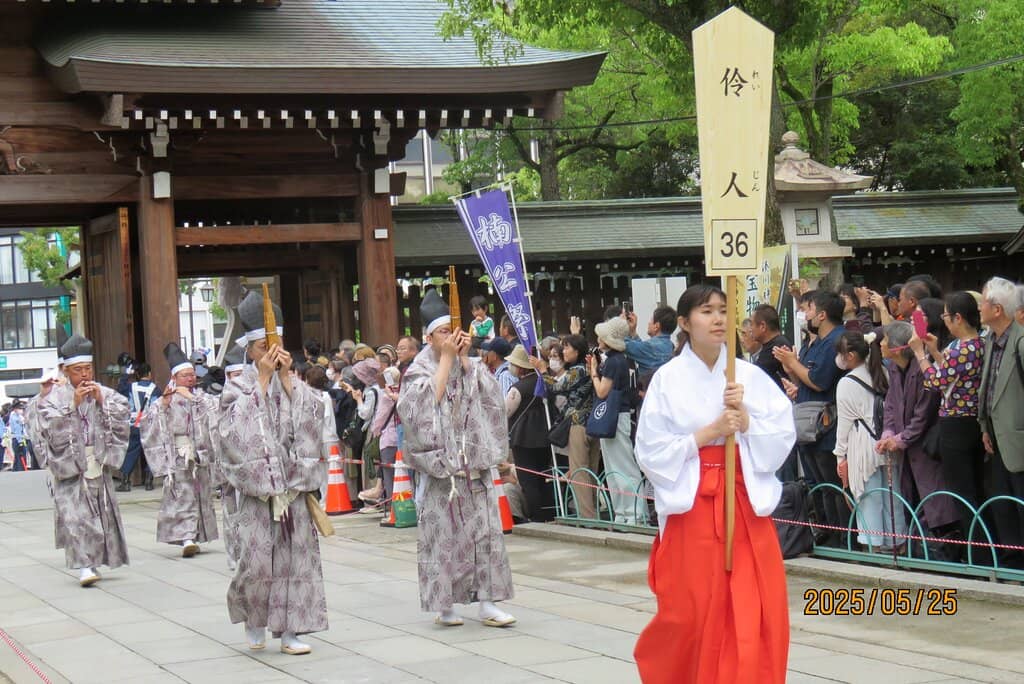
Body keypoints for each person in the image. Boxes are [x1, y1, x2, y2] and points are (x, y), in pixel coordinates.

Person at [634, 284, 793, 684]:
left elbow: (781, 436)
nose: (718, 318)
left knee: (756, 606)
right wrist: (710, 432)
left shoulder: (748, 376)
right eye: (706, 311)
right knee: (692, 610)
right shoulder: (667, 379)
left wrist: (747, 420)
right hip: (695, 503)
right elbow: (650, 450)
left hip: (744, 501)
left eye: (723, 310)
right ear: (685, 323)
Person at [397, 288, 515, 627]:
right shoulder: (419, 369)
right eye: (443, 332)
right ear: (429, 337)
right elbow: (418, 411)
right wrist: (447, 361)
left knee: (486, 537)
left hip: (474, 468)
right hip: (442, 474)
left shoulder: (471, 365)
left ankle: (488, 602)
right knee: (442, 540)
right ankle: (445, 605)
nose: (451, 337)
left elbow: (492, 402)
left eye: (454, 330)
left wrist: (464, 362)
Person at [218, 290, 328, 654]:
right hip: (257, 492)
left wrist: (286, 381)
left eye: (276, 344)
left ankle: (291, 630)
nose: (272, 351)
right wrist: (263, 382)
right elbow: (232, 433)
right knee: (257, 564)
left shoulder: (295, 385)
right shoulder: (236, 387)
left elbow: (314, 418)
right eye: (264, 346)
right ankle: (254, 618)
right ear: (250, 351)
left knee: (296, 562)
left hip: (293, 488)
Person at [33, 335, 132, 587]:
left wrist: (102, 401)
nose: (85, 374)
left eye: (88, 368)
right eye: (78, 370)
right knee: (76, 517)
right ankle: (85, 565)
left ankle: (94, 561)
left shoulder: (103, 392)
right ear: (66, 371)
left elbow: (123, 411)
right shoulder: (55, 398)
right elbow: (47, 428)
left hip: (96, 462)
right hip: (70, 467)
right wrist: (72, 406)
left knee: (99, 515)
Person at [912, 292, 986, 552]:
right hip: (973, 420)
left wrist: (920, 354)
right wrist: (934, 351)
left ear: (958, 318)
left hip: (956, 423)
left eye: (945, 316)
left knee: (962, 490)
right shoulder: (980, 343)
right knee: (975, 485)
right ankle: (983, 549)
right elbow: (953, 375)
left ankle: (976, 550)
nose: (944, 320)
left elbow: (935, 382)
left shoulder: (962, 349)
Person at [773, 290, 846, 543]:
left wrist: (793, 363)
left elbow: (819, 381)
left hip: (826, 425)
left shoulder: (836, 340)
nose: (803, 314)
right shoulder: (813, 343)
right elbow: (805, 380)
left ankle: (842, 538)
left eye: (808, 309)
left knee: (832, 485)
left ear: (822, 314)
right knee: (817, 484)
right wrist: (791, 370)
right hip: (807, 424)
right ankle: (825, 532)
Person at [878, 321, 959, 546]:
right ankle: (919, 548)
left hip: (926, 448)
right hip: (906, 450)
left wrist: (900, 439)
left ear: (897, 348)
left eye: (885, 340)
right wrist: (888, 432)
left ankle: (942, 550)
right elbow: (891, 404)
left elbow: (924, 414)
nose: (881, 343)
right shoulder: (893, 368)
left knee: (935, 504)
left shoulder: (923, 370)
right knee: (911, 500)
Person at [139, 343, 219, 558]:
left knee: (200, 494)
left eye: (192, 375)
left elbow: (215, 413)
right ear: (174, 378)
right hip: (178, 454)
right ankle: (186, 537)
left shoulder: (201, 396)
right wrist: (165, 404)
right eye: (185, 376)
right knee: (183, 495)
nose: (190, 379)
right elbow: (149, 423)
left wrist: (193, 398)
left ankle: (195, 534)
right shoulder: (164, 400)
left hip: (199, 453)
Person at [833, 331, 905, 551]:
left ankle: (874, 549)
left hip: (862, 445)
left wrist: (840, 455)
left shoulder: (846, 382)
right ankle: (897, 546)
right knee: (892, 497)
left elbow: (844, 425)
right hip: (888, 441)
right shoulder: (883, 371)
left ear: (851, 355)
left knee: (870, 499)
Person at [977, 276, 1024, 567]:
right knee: (1002, 501)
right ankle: (1011, 561)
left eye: (983, 302)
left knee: (1020, 499)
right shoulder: (991, 341)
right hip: (995, 434)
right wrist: (984, 426)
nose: (979, 308)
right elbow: (988, 389)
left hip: (1018, 435)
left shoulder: (1020, 342)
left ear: (997, 309)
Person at [531, 335, 599, 520]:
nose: (564, 352)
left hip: (578, 424)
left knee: (579, 471)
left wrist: (543, 370)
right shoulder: (588, 366)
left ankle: (587, 517)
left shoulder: (578, 370)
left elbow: (556, 387)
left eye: (567, 348)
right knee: (591, 470)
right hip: (592, 423)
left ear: (577, 351)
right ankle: (594, 514)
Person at [591, 316, 646, 526]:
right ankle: (625, 514)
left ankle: (631, 514)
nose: (598, 340)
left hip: (615, 416)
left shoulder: (613, 362)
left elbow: (602, 391)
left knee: (620, 466)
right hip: (620, 414)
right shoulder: (622, 360)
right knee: (617, 466)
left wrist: (594, 373)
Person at [505, 344, 555, 522]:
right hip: (546, 437)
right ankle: (549, 512)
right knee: (543, 476)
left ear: (521, 367)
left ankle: (537, 516)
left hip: (523, 438)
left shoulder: (518, 388)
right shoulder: (548, 382)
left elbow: (506, 411)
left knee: (528, 480)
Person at [117, 363, 157, 492]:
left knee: (131, 452)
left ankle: (125, 482)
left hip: (134, 424)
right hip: (149, 425)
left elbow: (119, 390)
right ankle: (149, 482)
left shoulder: (131, 387)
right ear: (150, 374)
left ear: (137, 374)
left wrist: (126, 374)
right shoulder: (155, 389)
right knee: (151, 452)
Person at [624, 306, 676, 378]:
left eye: (651, 321)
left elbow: (622, 344)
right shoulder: (671, 346)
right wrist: (633, 332)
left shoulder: (650, 347)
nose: (648, 323)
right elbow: (643, 350)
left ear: (656, 326)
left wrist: (622, 325)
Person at [750, 304, 791, 390]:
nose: (750, 329)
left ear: (762, 326)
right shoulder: (775, 343)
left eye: (752, 324)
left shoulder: (776, 348)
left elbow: (753, 378)